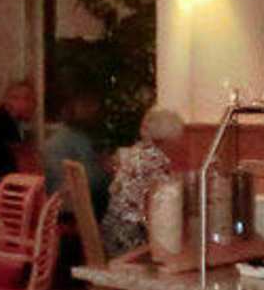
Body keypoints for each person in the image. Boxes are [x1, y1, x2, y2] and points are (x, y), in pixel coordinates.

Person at [103, 107, 183, 255]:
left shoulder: (134, 151)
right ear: (167, 139)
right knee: (174, 245)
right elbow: (164, 201)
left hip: (112, 230)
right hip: (131, 235)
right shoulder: (156, 160)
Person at [40, 89, 110, 218]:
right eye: (88, 106)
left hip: (78, 202)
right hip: (67, 208)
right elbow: (84, 181)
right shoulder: (62, 141)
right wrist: (105, 170)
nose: (94, 111)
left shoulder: (80, 136)